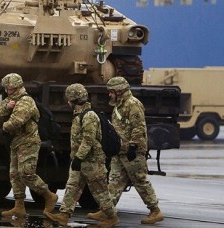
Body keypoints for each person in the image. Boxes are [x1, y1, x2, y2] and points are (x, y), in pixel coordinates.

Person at [87, 76, 164, 225]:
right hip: (120, 150)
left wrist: (133, 147)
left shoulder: (133, 104)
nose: (109, 94)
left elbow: (138, 127)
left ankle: (155, 211)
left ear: (120, 91)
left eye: (112, 92)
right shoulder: (119, 105)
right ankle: (107, 211)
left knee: (140, 180)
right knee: (114, 182)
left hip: (132, 152)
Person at [44, 83, 119, 226]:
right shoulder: (79, 115)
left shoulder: (89, 115)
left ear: (73, 99)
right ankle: (64, 215)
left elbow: (88, 139)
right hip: (80, 160)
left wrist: (79, 157)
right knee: (72, 187)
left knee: (100, 191)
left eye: (69, 99)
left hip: (92, 161)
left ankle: (111, 216)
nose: (67, 102)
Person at [0, 73, 58, 219]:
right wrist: (7, 105)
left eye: (9, 89)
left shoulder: (25, 101)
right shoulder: (12, 99)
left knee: (26, 173)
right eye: (6, 89)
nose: (7, 91)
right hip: (16, 142)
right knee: (15, 174)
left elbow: (16, 122)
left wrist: (4, 127)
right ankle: (19, 206)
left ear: (17, 87)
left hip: (28, 141)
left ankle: (49, 195)